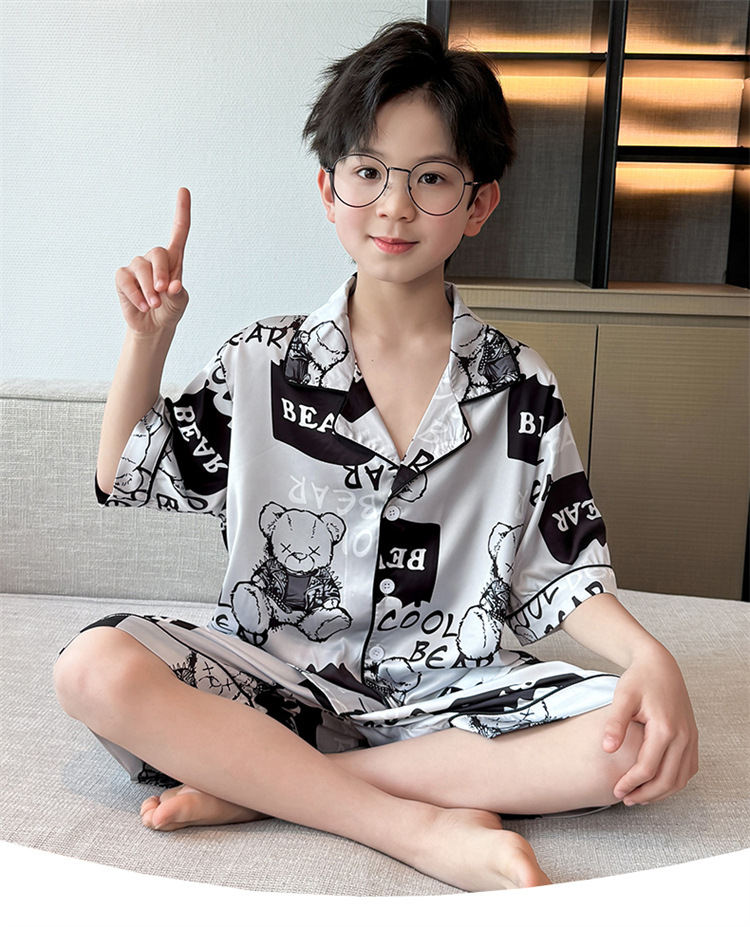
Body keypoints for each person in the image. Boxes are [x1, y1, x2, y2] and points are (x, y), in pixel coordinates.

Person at [54, 21, 698, 892]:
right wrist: (148, 338)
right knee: (92, 668)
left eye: (431, 178)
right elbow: (126, 470)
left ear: (479, 204)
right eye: (368, 172)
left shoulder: (520, 386)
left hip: (449, 699)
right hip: (273, 685)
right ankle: (410, 825)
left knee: (632, 741)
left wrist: (650, 657)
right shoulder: (261, 362)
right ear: (329, 189)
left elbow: (561, 574)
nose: (395, 206)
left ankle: (257, 787)